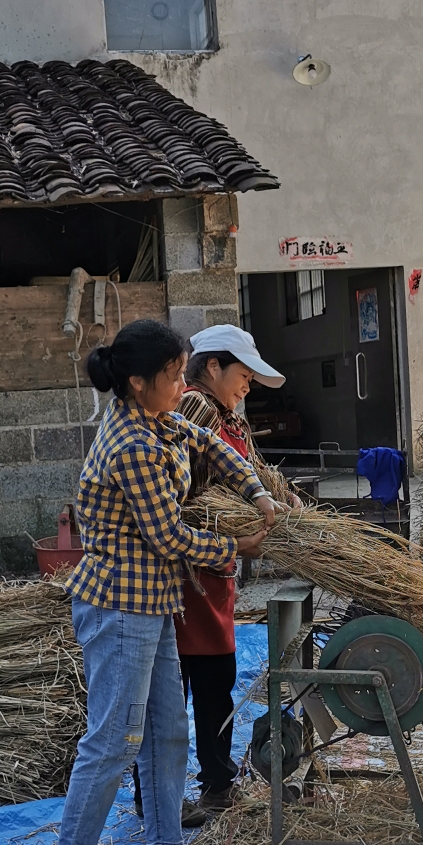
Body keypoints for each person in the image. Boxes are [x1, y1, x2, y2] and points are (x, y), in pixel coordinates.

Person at [53, 319, 274, 845]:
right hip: (118, 607)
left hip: (154, 604)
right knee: (114, 736)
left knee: (167, 727)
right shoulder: (130, 445)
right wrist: (237, 544)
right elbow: (169, 536)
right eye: (174, 376)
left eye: (183, 373)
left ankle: (165, 844)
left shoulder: (161, 421)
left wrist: (257, 491)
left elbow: (209, 444)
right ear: (136, 381)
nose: (183, 386)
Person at [174, 322, 300, 811]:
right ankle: (187, 792)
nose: (248, 385)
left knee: (213, 681)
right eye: (243, 374)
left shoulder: (228, 417)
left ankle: (216, 782)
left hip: (216, 569)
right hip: (187, 573)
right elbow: (184, 498)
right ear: (212, 366)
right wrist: (231, 533)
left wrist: (285, 500)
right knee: (190, 687)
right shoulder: (196, 409)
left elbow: (251, 470)